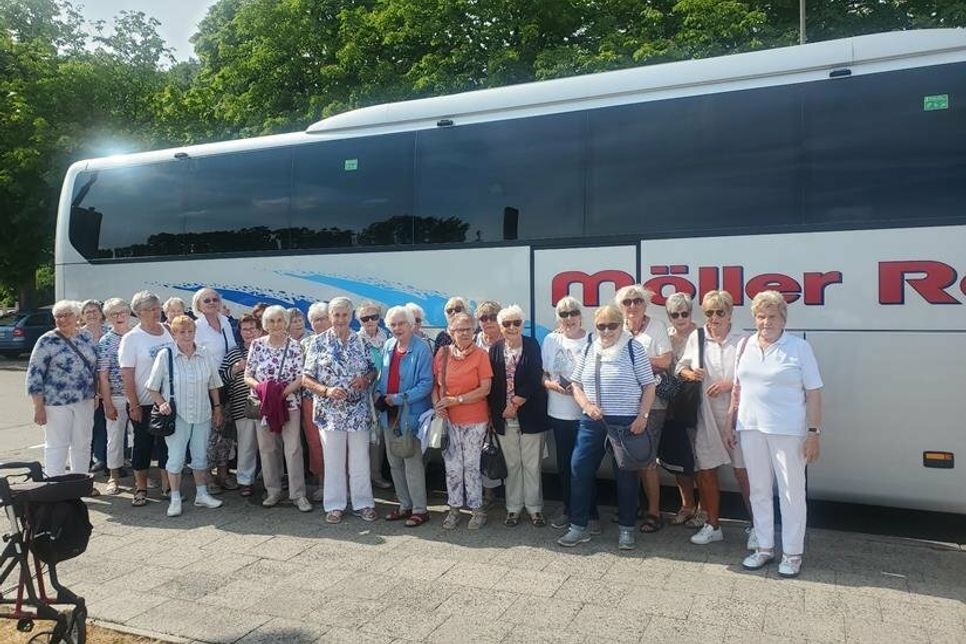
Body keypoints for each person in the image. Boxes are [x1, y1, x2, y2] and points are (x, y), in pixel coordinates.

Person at [728, 290, 823, 578]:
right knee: (758, 490)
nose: (766, 322)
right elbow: (737, 389)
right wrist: (730, 423)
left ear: (783, 319)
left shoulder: (798, 348)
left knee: (791, 493)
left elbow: (814, 393)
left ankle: (792, 554)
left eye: (772, 316)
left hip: (788, 431)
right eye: (760, 316)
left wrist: (814, 433)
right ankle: (764, 548)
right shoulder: (745, 345)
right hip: (751, 428)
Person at [558, 305, 656, 550]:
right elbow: (576, 384)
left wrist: (642, 416)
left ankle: (626, 529)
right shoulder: (591, 348)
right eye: (601, 326)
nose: (607, 330)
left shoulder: (634, 348)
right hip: (593, 421)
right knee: (579, 468)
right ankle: (578, 526)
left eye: (612, 325)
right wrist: (587, 405)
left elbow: (649, 385)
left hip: (625, 423)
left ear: (621, 325)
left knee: (626, 476)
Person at [676, 291, 753, 546]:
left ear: (730, 313)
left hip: (738, 416)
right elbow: (680, 368)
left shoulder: (744, 340)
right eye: (709, 312)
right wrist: (690, 373)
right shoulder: (698, 338)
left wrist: (728, 383)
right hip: (706, 415)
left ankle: (757, 525)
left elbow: (755, 376)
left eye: (720, 312)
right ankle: (713, 524)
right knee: (707, 469)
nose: (714, 318)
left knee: (744, 472)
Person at [303, 297, 378, 523]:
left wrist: (365, 379)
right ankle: (335, 505)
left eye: (345, 315)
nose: (340, 319)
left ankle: (363, 503)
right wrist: (326, 391)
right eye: (336, 315)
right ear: (330, 317)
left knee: (360, 460)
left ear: (351, 316)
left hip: (357, 412)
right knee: (333, 460)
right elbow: (306, 379)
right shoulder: (317, 343)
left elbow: (373, 370)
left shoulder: (361, 341)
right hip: (330, 414)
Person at [146, 315, 224, 517]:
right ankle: (174, 498)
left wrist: (217, 408)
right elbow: (152, 388)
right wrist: (162, 403)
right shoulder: (166, 355)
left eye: (190, 331)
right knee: (176, 458)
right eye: (182, 332)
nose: (187, 335)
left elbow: (214, 384)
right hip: (177, 415)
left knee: (200, 455)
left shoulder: (205, 354)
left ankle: (202, 494)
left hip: (202, 413)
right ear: (174, 333)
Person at [245, 306, 312, 512]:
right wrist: (264, 391)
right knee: (267, 449)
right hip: (264, 406)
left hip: (289, 404)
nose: (276, 325)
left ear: (286, 322)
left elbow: (302, 376)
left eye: (280, 320)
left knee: (293, 449)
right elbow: (248, 374)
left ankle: (298, 494)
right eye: (271, 321)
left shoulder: (296, 347)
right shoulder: (256, 345)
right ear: (265, 324)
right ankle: (273, 491)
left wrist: (280, 395)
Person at [616, 285, 671, 534]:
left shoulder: (656, 326)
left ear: (646, 303)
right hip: (626, 403)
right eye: (627, 301)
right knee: (630, 457)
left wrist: (636, 360)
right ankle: (633, 507)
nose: (632, 305)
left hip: (653, 404)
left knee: (648, 460)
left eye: (637, 300)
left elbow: (665, 361)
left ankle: (654, 513)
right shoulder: (618, 328)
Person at [487, 305, 549, 527]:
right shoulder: (494, 349)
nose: (512, 327)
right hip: (503, 417)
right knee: (512, 465)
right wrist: (496, 415)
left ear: (523, 324)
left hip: (530, 414)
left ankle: (534, 509)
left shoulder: (531, 345)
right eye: (506, 323)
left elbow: (535, 377)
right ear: (501, 327)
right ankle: (513, 508)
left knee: (532, 465)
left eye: (516, 323)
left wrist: (515, 403)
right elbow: (492, 385)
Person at [433, 312, 493, 530]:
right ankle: (454, 508)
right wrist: (439, 406)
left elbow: (485, 389)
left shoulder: (481, 355)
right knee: (452, 466)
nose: (465, 333)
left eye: (469, 329)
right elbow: (436, 386)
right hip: (449, 420)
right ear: (451, 332)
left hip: (475, 419)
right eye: (460, 329)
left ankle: (477, 509)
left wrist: (456, 400)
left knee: (471, 466)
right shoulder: (442, 354)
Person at [26, 300, 98, 479]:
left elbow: (96, 367)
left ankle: (80, 482)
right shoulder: (47, 340)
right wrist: (38, 407)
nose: (63, 319)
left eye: (67, 315)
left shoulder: (86, 336)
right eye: (59, 316)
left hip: (85, 400)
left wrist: (96, 393)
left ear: (77, 316)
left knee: (82, 443)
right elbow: (34, 375)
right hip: (56, 403)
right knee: (57, 444)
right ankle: (55, 484)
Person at [375, 306, 434, 527]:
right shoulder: (389, 345)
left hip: (410, 414)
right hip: (388, 413)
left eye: (401, 323)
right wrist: (379, 394)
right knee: (394, 462)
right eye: (393, 324)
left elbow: (426, 384)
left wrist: (399, 398)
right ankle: (404, 505)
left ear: (411, 325)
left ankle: (420, 509)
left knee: (412, 462)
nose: (397, 328)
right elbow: (382, 376)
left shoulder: (421, 349)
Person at [541, 296, 594, 531]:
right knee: (564, 465)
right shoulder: (551, 340)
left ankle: (590, 514)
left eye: (573, 313)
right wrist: (553, 386)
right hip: (559, 412)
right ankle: (568, 510)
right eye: (563, 314)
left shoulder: (592, 339)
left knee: (584, 466)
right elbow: (543, 375)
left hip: (585, 413)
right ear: (558, 318)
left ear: (580, 315)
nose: (569, 318)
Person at [119, 291, 175, 506]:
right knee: (142, 445)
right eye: (151, 309)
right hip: (142, 401)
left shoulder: (167, 331)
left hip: (166, 400)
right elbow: (127, 375)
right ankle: (140, 487)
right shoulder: (131, 338)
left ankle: (167, 486)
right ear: (139, 313)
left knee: (166, 444)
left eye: (157, 307)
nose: (156, 312)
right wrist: (133, 404)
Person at [663, 292, 701, 527]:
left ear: (691, 313)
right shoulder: (666, 336)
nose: (680, 318)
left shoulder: (701, 335)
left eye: (684, 313)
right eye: (675, 314)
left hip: (697, 405)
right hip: (672, 406)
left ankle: (704, 509)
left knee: (699, 459)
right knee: (678, 459)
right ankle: (686, 505)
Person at [219, 314, 260, 497]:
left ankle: (269, 480)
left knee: (269, 447)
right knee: (246, 445)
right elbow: (220, 379)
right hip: (242, 407)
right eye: (245, 329)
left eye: (253, 328)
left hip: (268, 407)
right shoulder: (233, 352)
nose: (249, 332)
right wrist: (236, 368)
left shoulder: (267, 349)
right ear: (240, 332)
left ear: (259, 329)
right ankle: (245, 481)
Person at [98, 298, 133, 495]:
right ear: (108, 318)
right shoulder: (106, 341)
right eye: (114, 314)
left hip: (139, 395)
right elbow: (103, 375)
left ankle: (140, 475)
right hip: (117, 395)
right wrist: (107, 402)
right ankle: (114, 476)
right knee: (115, 437)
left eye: (122, 313)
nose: (119, 317)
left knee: (138, 437)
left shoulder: (137, 335)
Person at [357, 301, 391, 490]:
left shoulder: (386, 337)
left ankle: (376, 474)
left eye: (374, 317)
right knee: (364, 437)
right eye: (365, 318)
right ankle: (364, 478)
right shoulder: (356, 340)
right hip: (364, 395)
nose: (370, 321)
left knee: (379, 438)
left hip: (382, 393)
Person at [473, 300, 503, 508]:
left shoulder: (506, 340)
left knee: (505, 448)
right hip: (480, 400)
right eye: (484, 318)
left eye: (493, 317)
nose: (488, 321)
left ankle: (510, 493)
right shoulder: (475, 341)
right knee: (485, 448)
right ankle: (488, 492)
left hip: (502, 400)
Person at [302, 302, 330, 500]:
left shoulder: (338, 341)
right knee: (314, 442)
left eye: (322, 318)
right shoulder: (305, 343)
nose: (318, 323)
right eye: (314, 320)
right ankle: (322, 482)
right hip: (310, 399)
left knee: (334, 443)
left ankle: (340, 484)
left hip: (333, 401)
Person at [81, 299, 109, 473]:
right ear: (82, 316)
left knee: (106, 423)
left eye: (94, 311)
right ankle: (86, 460)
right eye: (87, 311)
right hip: (86, 388)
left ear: (101, 314)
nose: (91, 314)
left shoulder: (109, 333)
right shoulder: (77, 336)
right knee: (87, 424)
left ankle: (105, 459)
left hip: (108, 386)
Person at [192, 288, 237, 369]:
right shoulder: (195, 327)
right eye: (207, 301)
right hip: (208, 378)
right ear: (198, 306)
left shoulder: (226, 323)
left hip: (228, 378)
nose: (211, 302)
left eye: (215, 300)